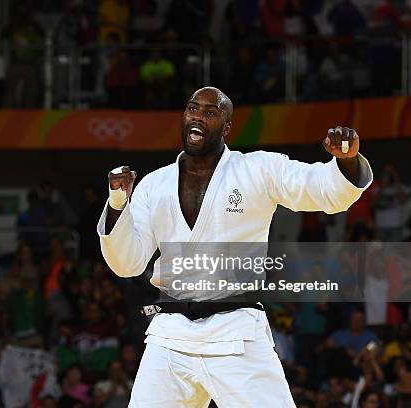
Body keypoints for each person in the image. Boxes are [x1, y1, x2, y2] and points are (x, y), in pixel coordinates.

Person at [97, 87, 373, 407]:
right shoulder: (155, 184)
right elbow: (127, 263)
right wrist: (118, 203)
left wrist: (347, 161)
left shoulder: (257, 169)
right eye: (192, 109)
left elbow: (320, 189)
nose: (198, 116)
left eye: (210, 112)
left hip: (236, 334)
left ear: (226, 127)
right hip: (170, 336)